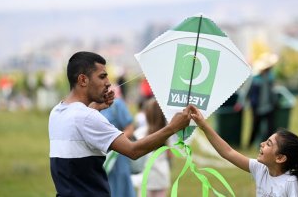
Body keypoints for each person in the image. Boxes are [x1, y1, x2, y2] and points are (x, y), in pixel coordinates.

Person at [48, 51, 192, 197]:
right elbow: (133, 150)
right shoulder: (87, 117)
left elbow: (79, 126)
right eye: (102, 76)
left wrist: (96, 107)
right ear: (83, 80)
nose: (108, 83)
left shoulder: (57, 112)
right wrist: (173, 127)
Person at [189, 105, 298, 196]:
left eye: (268, 144)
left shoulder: (290, 183)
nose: (262, 144)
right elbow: (228, 152)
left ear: (280, 158)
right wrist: (203, 125)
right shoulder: (260, 169)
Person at [100, 95, 136, 197]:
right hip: (97, 159)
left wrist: (113, 141)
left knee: (120, 189)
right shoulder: (87, 107)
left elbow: (130, 128)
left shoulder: (117, 105)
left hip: (117, 158)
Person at [247, 53, 278, 147]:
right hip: (257, 107)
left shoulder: (270, 77)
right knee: (255, 126)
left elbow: (272, 91)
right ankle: (250, 144)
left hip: (269, 106)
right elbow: (249, 92)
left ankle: (269, 145)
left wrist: (275, 102)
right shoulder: (255, 79)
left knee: (270, 128)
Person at [142, 98, 172, 197]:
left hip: (146, 176)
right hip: (161, 175)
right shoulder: (167, 135)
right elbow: (170, 154)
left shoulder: (141, 132)